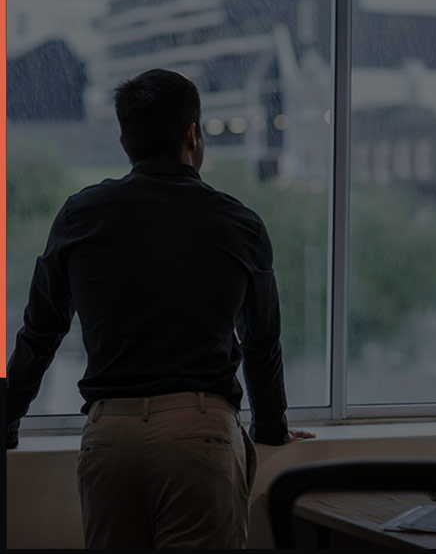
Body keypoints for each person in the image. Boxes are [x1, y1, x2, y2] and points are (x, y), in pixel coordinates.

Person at [6, 68, 314, 549]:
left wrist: (6, 421)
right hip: (199, 435)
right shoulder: (239, 223)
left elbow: (39, 332)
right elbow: (261, 340)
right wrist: (270, 426)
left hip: (110, 436)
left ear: (125, 140)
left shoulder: (80, 214)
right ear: (193, 134)